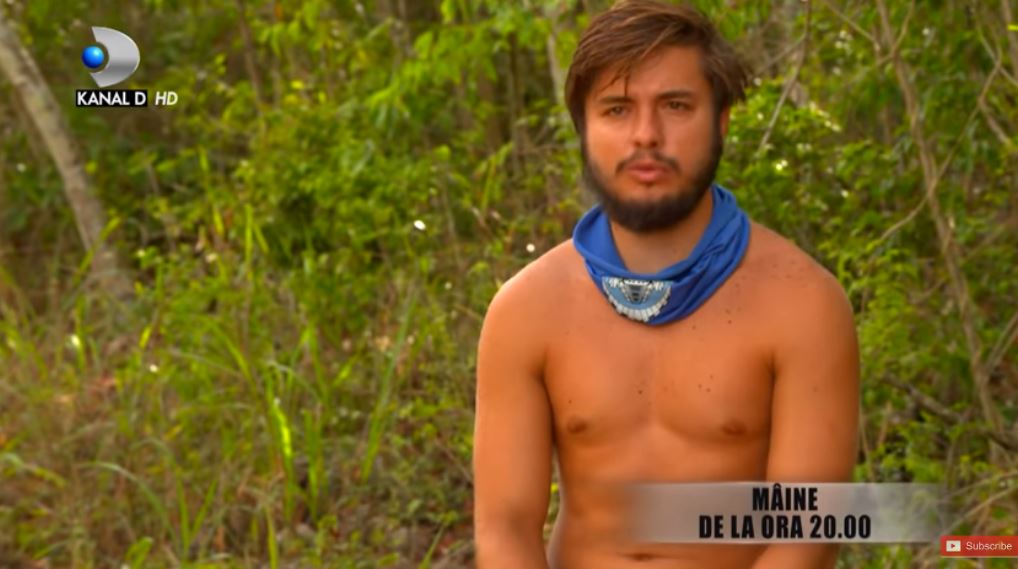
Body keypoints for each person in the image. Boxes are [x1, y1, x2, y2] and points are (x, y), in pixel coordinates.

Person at [471, 1, 859, 567]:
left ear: (721, 120)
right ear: (584, 127)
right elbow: (504, 525)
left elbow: (806, 535)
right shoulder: (526, 310)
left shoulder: (803, 303)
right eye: (617, 109)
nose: (646, 136)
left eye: (676, 106)